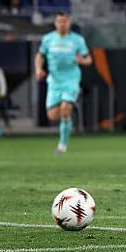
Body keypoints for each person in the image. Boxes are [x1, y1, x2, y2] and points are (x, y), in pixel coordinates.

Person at [35, 13, 92, 153]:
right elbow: (40, 55)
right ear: (55, 23)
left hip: (71, 79)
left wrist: (82, 60)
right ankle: (66, 120)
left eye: (65, 21)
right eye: (60, 21)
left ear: (69, 23)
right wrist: (38, 69)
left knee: (66, 108)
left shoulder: (77, 40)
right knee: (53, 116)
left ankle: (62, 145)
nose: (62, 24)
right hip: (54, 81)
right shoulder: (48, 39)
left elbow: (88, 59)